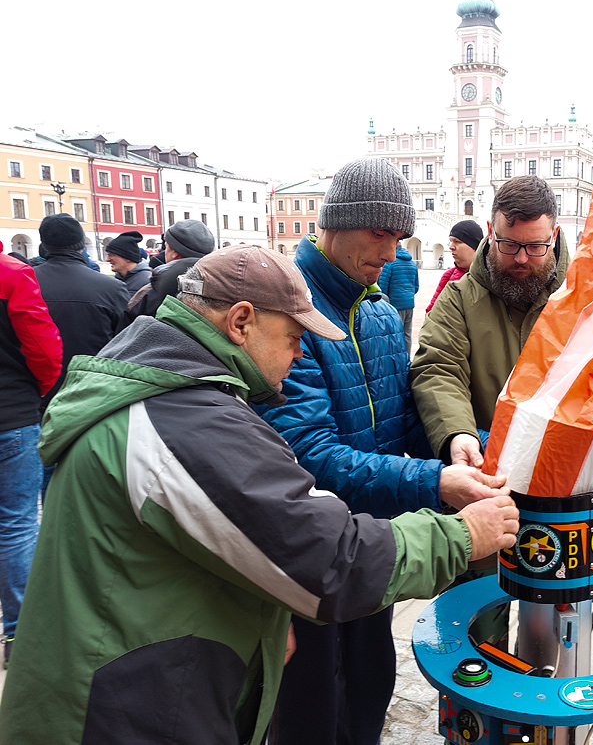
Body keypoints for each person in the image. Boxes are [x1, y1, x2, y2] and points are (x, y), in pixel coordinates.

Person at [0, 244, 519, 744]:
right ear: (241, 321)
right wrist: (462, 534)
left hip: (132, 679)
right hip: (117, 709)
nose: (299, 352)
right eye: (293, 336)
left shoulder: (171, 387)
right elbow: (327, 557)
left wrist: (261, 621)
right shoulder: (184, 419)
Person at [259, 158, 509, 745]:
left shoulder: (375, 311)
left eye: (399, 237)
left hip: (373, 546)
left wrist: (465, 449)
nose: (393, 251)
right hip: (312, 552)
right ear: (336, 225)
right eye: (380, 234)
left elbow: (402, 422)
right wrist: (436, 481)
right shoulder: (291, 314)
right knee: (312, 709)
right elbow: (311, 454)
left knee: (370, 687)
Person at [411, 175, 593, 481]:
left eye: (536, 246)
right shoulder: (459, 300)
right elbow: (438, 370)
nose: (521, 258)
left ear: (555, 235)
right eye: (509, 244)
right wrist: (458, 434)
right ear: (490, 231)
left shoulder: (588, 297)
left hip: (574, 483)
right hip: (486, 478)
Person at [0, 242, 62, 668]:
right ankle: (19, 632)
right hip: (10, 414)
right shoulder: (11, 273)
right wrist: (37, 391)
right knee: (18, 523)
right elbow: (44, 349)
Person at [33, 214, 129, 403]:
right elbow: (126, 342)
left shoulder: (24, 282)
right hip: (94, 390)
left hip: (38, 390)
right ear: (80, 243)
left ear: (44, 243)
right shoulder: (111, 287)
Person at [120, 219, 216, 329]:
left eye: (166, 247)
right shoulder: (222, 286)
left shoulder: (150, 292)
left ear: (173, 252)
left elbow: (125, 333)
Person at [426, 220, 482, 312]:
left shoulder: (489, 278)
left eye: (457, 241)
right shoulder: (448, 275)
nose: (451, 246)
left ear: (475, 246)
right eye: (451, 241)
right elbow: (432, 311)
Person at [377, 242, 420, 353]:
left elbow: (383, 285)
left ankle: (398, 358)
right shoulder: (412, 264)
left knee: (396, 334)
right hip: (409, 304)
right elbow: (416, 286)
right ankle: (407, 358)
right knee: (407, 334)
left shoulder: (390, 263)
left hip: (395, 305)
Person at [105, 230, 152, 297]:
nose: (107, 259)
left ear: (127, 258)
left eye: (111, 255)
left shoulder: (146, 281)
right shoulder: (120, 278)